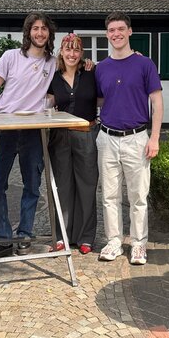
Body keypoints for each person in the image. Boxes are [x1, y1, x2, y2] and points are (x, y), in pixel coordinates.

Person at [0, 12, 58, 257]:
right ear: (28, 32)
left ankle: (25, 235)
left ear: (49, 33)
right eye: (35, 28)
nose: (39, 33)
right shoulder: (11, 56)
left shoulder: (53, 62)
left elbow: (76, 66)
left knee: (32, 184)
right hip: (4, 126)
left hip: (33, 130)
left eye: (44, 28)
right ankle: (2, 238)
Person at [96, 12, 163, 265]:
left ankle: (138, 244)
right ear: (107, 35)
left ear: (130, 32)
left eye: (121, 29)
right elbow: (99, 99)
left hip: (137, 137)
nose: (117, 34)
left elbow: (157, 101)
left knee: (138, 196)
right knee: (109, 196)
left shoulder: (145, 64)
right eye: (112, 30)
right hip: (107, 137)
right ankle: (113, 241)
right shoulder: (101, 68)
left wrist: (154, 138)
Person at [46, 33, 99, 254]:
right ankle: (61, 236)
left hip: (86, 133)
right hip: (60, 137)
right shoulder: (53, 76)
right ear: (61, 52)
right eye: (68, 49)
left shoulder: (90, 74)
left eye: (76, 50)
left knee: (87, 186)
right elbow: (46, 100)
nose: (72, 54)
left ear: (82, 53)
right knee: (62, 187)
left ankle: (86, 237)